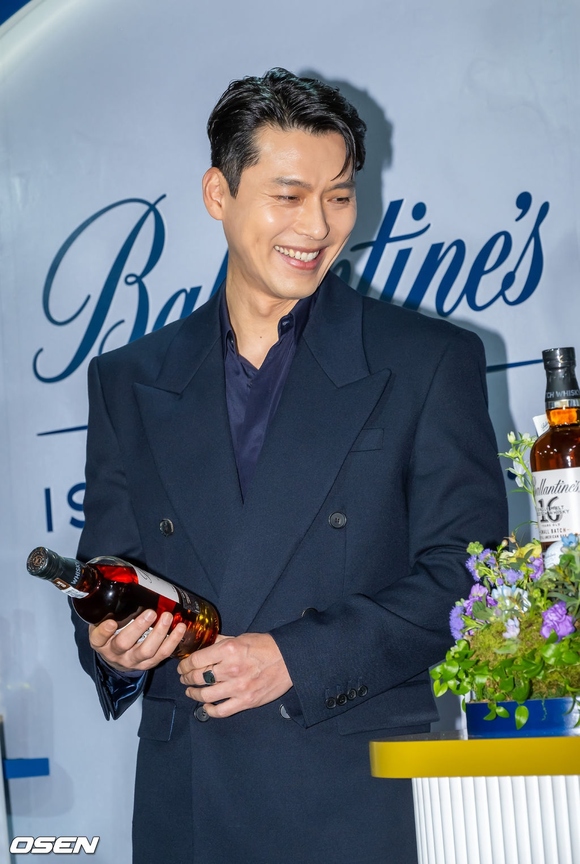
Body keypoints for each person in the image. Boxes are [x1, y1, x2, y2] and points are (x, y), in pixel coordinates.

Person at [73, 68, 507, 864]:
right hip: (188, 804)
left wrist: (294, 659)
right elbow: (114, 565)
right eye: (289, 195)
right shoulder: (128, 379)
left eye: (339, 195)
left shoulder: (426, 360)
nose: (318, 225)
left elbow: (466, 575)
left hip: (354, 797)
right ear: (219, 192)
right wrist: (112, 646)